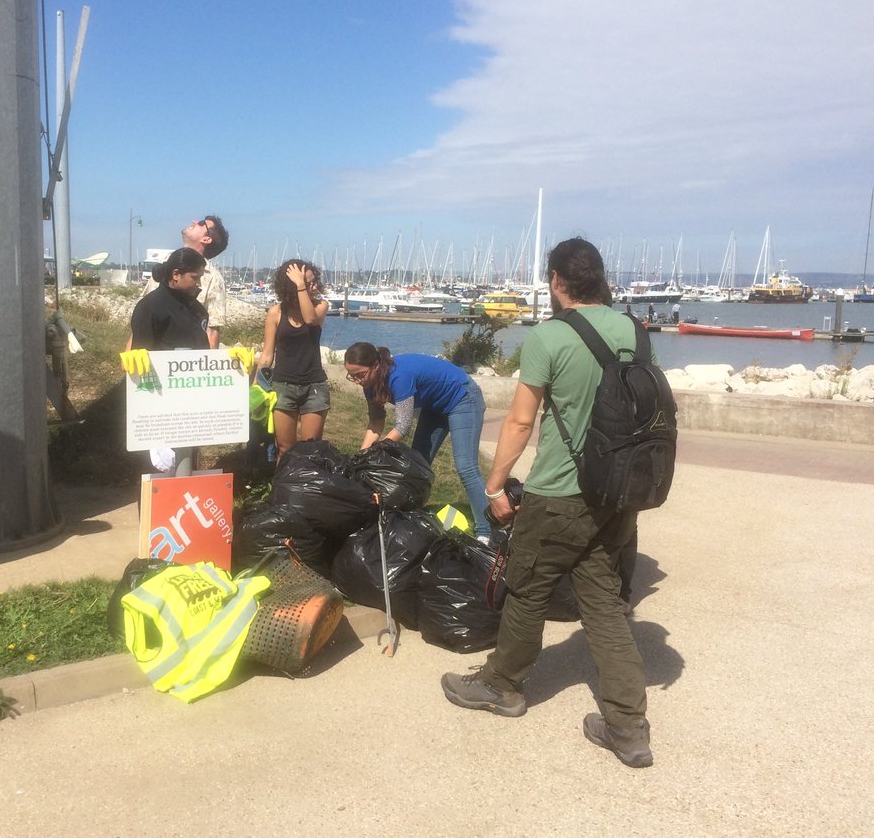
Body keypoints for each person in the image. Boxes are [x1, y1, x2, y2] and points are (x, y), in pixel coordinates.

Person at [439, 236, 653, 768]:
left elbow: (519, 420)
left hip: (560, 491)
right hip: (617, 495)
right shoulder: (636, 331)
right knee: (603, 602)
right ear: (600, 278)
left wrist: (495, 485)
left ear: (557, 281)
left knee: (527, 587)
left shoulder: (550, 337)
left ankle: (502, 685)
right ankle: (628, 727)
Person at [343, 343, 490, 534]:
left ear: (376, 364)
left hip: (462, 397)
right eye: (352, 376)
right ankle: (412, 516)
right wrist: (362, 456)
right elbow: (376, 423)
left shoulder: (399, 376)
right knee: (417, 466)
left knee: (466, 468)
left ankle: (487, 531)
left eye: (360, 374)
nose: (358, 381)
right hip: (433, 406)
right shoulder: (369, 384)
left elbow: (403, 425)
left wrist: (376, 452)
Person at [128, 248, 210, 476]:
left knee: (187, 465)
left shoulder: (197, 309)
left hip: (192, 401)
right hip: (160, 403)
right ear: (176, 274)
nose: (199, 283)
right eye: (195, 277)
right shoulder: (150, 307)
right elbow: (140, 353)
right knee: (158, 472)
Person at [257, 259, 330, 461]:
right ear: (290, 286)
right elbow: (267, 353)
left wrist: (301, 285)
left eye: (314, 282)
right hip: (283, 386)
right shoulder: (275, 313)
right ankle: (283, 490)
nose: (314, 287)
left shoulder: (321, 306)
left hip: (314, 386)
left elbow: (310, 320)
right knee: (285, 448)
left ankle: (308, 491)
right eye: (308, 284)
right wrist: (257, 385)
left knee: (311, 450)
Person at [140, 215, 229, 348]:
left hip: (184, 361)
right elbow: (143, 316)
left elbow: (211, 331)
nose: (194, 221)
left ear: (207, 239)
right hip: (152, 358)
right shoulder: (165, 263)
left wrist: (209, 365)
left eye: (200, 223)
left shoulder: (213, 278)